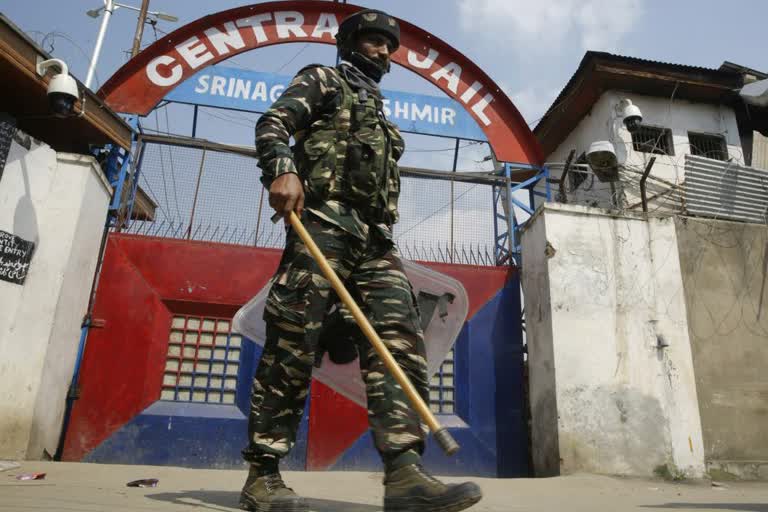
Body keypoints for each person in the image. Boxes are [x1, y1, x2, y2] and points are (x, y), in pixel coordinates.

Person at [240, 8, 483, 512]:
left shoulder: (379, 110)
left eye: (387, 44)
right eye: (373, 41)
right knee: (292, 345)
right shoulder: (322, 80)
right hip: (322, 224)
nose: (383, 51)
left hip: (374, 240)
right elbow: (273, 124)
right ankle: (263, 476)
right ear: (350, 44)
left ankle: (405, 474)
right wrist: (282, 171)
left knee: (399, 340)